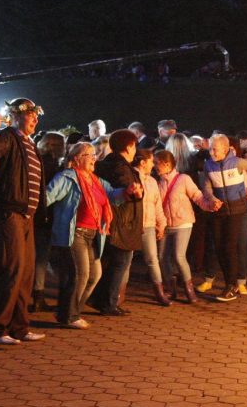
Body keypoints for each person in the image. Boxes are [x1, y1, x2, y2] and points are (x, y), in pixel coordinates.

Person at [46, 143, 139, 327]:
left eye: (94, 154)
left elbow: (112, 194)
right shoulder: (67, 177)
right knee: (81, 274)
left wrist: (127, 192)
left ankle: (73, 311)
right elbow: (47, 196)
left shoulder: (95, 180)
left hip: (93, 234)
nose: (94, 158)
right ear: (77, 159)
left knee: (95, 275)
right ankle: (69, 316)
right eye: (89, 155)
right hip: (75, 233)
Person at [0, 97, 47, 345]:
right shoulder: (8, 137)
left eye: (36, 115)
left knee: (26, 272)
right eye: (31, 114)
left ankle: (20, 326)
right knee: (12, 269)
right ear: (16, 115)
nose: (35, 119)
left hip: (26, 216)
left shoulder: (29, 143)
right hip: (9, 212)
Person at [90, 129, 143, 316]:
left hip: (112, 220)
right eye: (135, 146)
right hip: (123, 222)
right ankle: (108, 303)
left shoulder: (105, 164)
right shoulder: (121, 167)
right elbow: (126, 190)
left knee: (110, 262)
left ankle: (101, 299)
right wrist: (134, 192)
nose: (136, 150)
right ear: (129, 146)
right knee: (120, 263)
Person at [156, 150, 216, 303]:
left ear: (167, 164)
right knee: (162, 257)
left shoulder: (183, 179)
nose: (155, 166)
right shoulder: (159, 182)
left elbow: (197, 196)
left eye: (158, 163)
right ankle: (171, 288)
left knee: (178, 256)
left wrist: (209, 205)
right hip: (166, 224)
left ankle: (189, 289)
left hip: (183, 222)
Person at [202, 134, 247, 300]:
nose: (211, 152)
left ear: (225, 149)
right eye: (209, 148)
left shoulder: (237, 162)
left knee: (229, 246)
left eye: (214, 149)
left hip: (237, 209)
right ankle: (229, 282)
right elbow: (206, 186)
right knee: (218, 246)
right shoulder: (208, 165)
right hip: (219, 210)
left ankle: (232, 285)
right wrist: (211, 198)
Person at [32, 132, 66, 313]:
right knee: (42, 257)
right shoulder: (56, 167)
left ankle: (32, 293)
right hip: (47, 215)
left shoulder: (36, 162)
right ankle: (38, 294)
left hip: (32, 214)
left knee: (34, 255)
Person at [133, 148, 169, 305]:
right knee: (125, 262)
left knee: (152, 259)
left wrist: (161, 224)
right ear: (142, 162)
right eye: (151, 162)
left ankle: (159, 292)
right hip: (132, 225)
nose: (153, 165)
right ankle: (118, 294)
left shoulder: (152, 182)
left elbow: (157, 205)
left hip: (148, 225)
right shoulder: (131, 178)